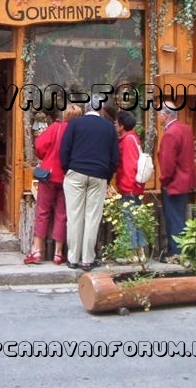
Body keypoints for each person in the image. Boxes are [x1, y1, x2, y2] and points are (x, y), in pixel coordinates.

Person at [60, 98, 119, 271]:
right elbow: (114, 157)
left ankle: (72, 258)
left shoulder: (75, 124)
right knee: (92, 218)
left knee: (74, 216)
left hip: (76, 172)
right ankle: (87, 259)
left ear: (86, 108)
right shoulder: (109, 127)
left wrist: (68, 170)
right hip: (98, 174)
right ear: (101, 110)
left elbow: (64, 150)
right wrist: (107, 177)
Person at [24, 104, 82, 265]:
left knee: (42, 212)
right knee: (62, 214)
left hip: (49, 175)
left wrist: (47, 156)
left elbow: (40, 146)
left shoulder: (56, 128)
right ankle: (58, 253)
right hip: (67, 176)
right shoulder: (78, 133)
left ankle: (37, 251)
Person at [157, 101, 196, 262]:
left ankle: (176, 253)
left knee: (173, 218)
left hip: (173, 183)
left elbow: (168, 163)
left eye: (160, 114)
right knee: (179, 217)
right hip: (185, 181)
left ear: (167, 115)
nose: (159, 117)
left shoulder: (170, 134)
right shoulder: (185, 129)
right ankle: (180, 251)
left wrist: (164, 180)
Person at [114, 110, 147, 255]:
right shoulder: (133, 137)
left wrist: (126, 187)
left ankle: (133, 251)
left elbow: (129, 165)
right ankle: (140, 251)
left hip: (129, 186)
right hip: (134, 186)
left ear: (121, 126)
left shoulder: (127, 141)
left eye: (116, 123)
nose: (115, 125)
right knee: (136, 218)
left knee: (129, 219)